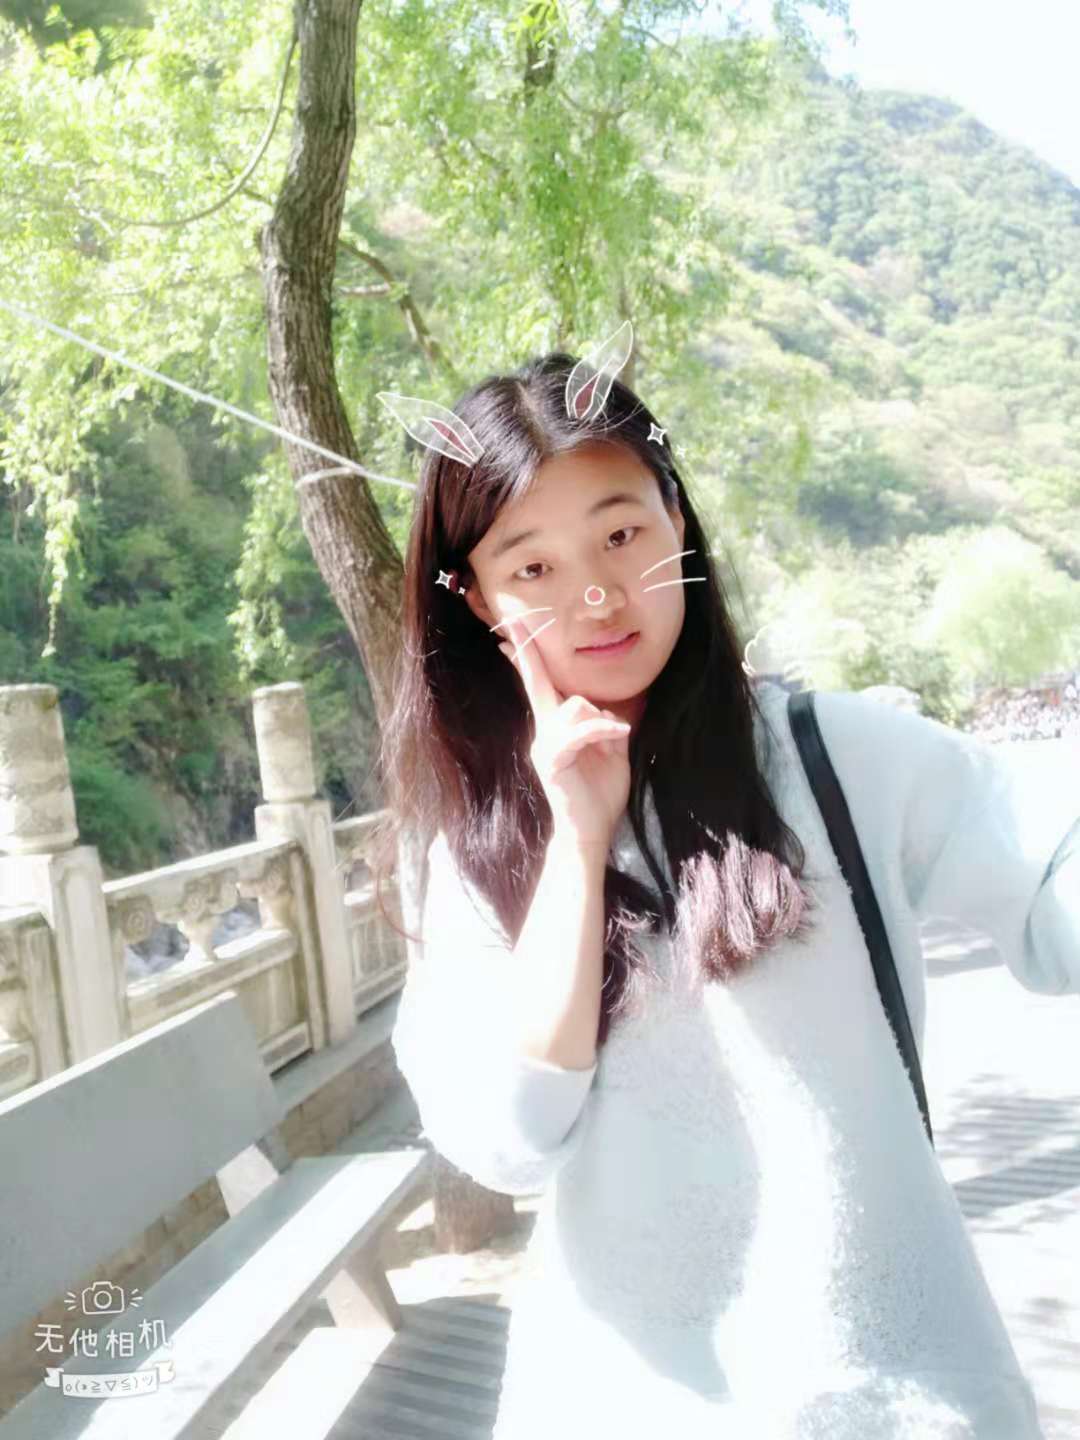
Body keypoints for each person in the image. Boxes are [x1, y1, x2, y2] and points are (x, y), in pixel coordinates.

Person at [371, 344, 1080, 1439]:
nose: (597, 595)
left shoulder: (835, 756)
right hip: (623, 1408)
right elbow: (510, 1140)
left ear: (676, 520)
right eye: (534, 567)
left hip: (900, 1400)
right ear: (475, 601)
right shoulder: (473, 851)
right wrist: (578, 840)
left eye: (620, 535)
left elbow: (1049, 884)